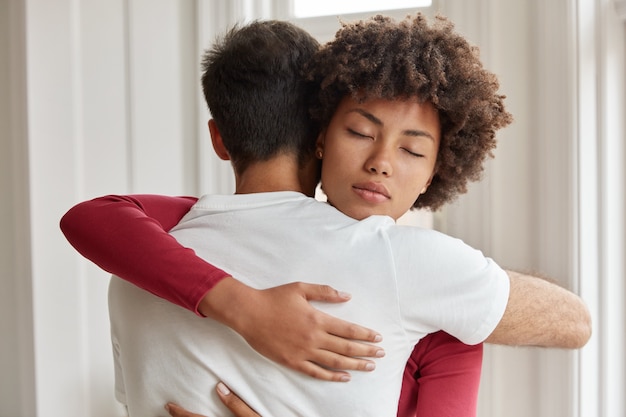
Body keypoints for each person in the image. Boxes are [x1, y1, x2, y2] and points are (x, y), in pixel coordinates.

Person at [60, 15, 591, 417]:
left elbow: (98, 218)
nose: (380, 162)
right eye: (360, 132)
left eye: (412, 149)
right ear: (320, 136)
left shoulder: (141, 263)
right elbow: (575, 322)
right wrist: (244, 308)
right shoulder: (417, 272)